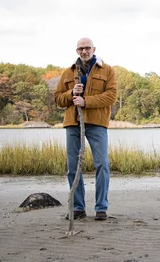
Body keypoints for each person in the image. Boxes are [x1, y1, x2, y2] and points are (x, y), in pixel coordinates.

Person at [54, 37, 117, 221]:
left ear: (94, 49)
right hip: (73, 123)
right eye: (80, 48)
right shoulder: (68, 73)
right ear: (76, 51)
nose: (84, 51)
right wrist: (71, 93)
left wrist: (86, 101)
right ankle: (78, 208)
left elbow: (111, 96)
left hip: (97, 123)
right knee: (73, 168)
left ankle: (101, 208)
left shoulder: (107, 70)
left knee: (102, 165)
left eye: (87, 48)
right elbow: (58, 99)